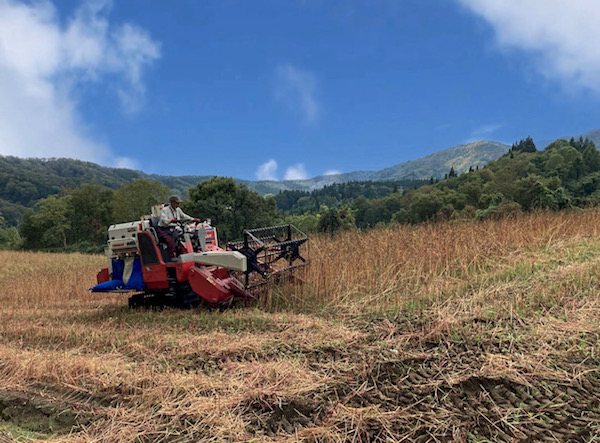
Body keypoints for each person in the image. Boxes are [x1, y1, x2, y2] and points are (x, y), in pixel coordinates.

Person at [157, 195, 198, 260]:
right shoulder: (165, 210)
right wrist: (171, 220)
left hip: (173, 229)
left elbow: (184, 216)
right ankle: (172, 255)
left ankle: (189, 251)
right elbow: (163, 220)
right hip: (164, 229)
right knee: (170, 240)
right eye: (177, 203)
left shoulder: (178, 210)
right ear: (172, 202)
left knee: (184, 236)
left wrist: (193, 219)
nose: (178, 204)